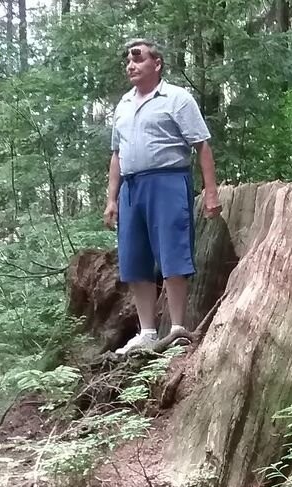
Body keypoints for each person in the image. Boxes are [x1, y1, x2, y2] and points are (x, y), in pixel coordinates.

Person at [104, 38, 221, 354]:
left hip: (168, 181)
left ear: (157, 64)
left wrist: (211, 192)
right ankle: (148, 332)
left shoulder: (177, 99)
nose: (131, 65)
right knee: (135, 258)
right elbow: (116, 154)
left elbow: (202, 145)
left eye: (139, 59)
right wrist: (112, 199)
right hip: (131, 187)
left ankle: (179, 328)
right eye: (128, 61)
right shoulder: (124, 105)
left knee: (172, 252)